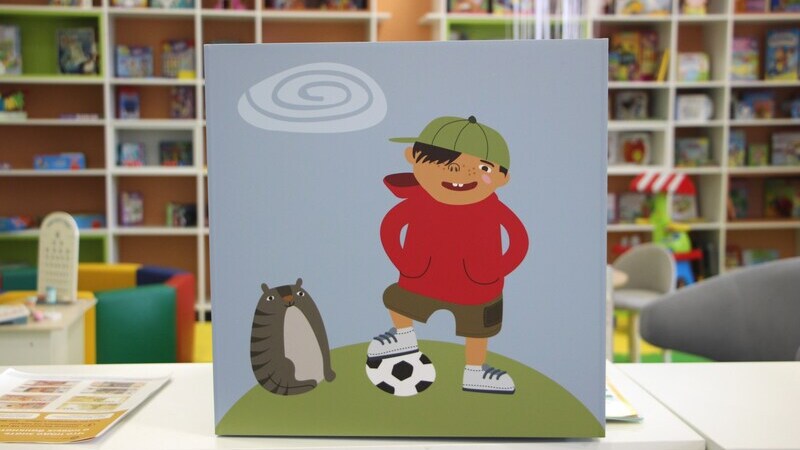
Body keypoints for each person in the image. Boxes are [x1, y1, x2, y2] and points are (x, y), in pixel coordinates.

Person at [369, 115, 529, 394]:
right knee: (398, 301)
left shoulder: (492, 208)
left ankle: (475, 372)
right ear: (413, 157)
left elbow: (519, 240)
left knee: (477, 329)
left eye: (482, 167)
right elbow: (391, 227)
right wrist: (405, 263)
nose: (459, 172)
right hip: (421, 278)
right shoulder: (419, 200)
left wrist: (495, 270)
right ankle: (404, 336)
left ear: (503, 178)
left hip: (477, 287)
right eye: (443, 161)